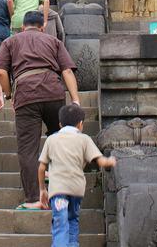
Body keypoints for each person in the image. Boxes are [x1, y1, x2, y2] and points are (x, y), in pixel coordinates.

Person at [0, 11, 79, 210]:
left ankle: (33, 199)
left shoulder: (10, 41)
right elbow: (66, 71)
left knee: (27, 149)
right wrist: (75, 100)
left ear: (23, 26)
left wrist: (8, 95)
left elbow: (1, 72)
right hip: (53, 92)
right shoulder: (53, 41)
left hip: (26, 95)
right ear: (42, 27)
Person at [38, 104, 117, 246]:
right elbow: (101, 161)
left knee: (60, 223)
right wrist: (111, 161)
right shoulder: (84, 139)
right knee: (73, 220)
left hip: (58, 191)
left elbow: (41, 168)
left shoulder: (51, 140)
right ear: (81, 124)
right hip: (76, 190)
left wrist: (42, 189)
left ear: (60, 124)